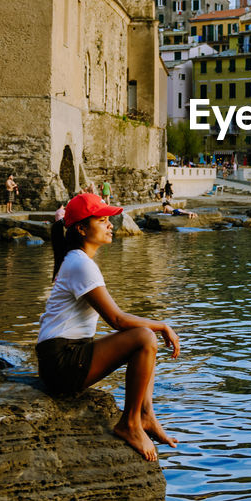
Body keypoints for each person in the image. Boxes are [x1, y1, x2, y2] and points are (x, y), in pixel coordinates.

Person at [38, 193, 181, 460]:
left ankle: (145, 414)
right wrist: (162, 326)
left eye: (108, 220)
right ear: (81, 228)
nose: (110, 225)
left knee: (142, 338)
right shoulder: (80, 263)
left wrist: (158, 327)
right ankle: (129, 424)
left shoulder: (76, 259)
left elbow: (118, 321)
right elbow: (116, 319)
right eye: (102, 220)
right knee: (144, 338)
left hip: (63, 357)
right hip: (61, 362)